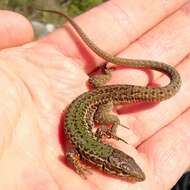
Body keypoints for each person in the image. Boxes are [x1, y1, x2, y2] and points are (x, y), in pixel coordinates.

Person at [0, 1, 189, 189]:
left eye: (126, 171)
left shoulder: (85, 150)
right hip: (96, 100)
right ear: (106, 166)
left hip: (96, 100)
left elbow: (70, 155)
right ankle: (107, 74)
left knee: (98, 105)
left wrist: (82, 162)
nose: (132, 175)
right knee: (97, 101)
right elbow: (77, 149)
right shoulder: (89, 148)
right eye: (124, 172)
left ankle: (107, 74)